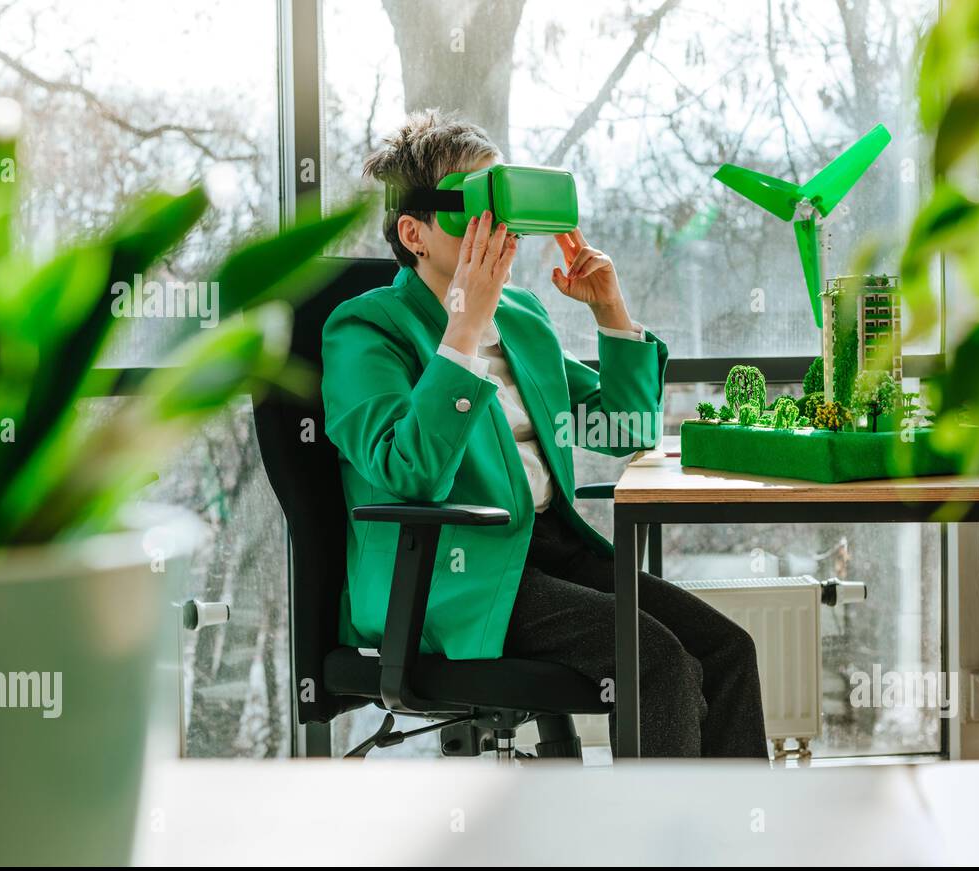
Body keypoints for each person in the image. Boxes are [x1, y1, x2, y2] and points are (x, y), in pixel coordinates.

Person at [322, 109, 766, 758]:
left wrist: (610, 312)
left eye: (504, 202)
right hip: (450, 568)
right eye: (478, 206)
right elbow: (408, 471)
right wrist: (462, 330)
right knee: (658, 661)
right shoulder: (366, 329)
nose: (500, 226)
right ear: (416, 232)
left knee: (729, 649)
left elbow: (623, 428)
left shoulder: (522, 318)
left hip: (550, 548)